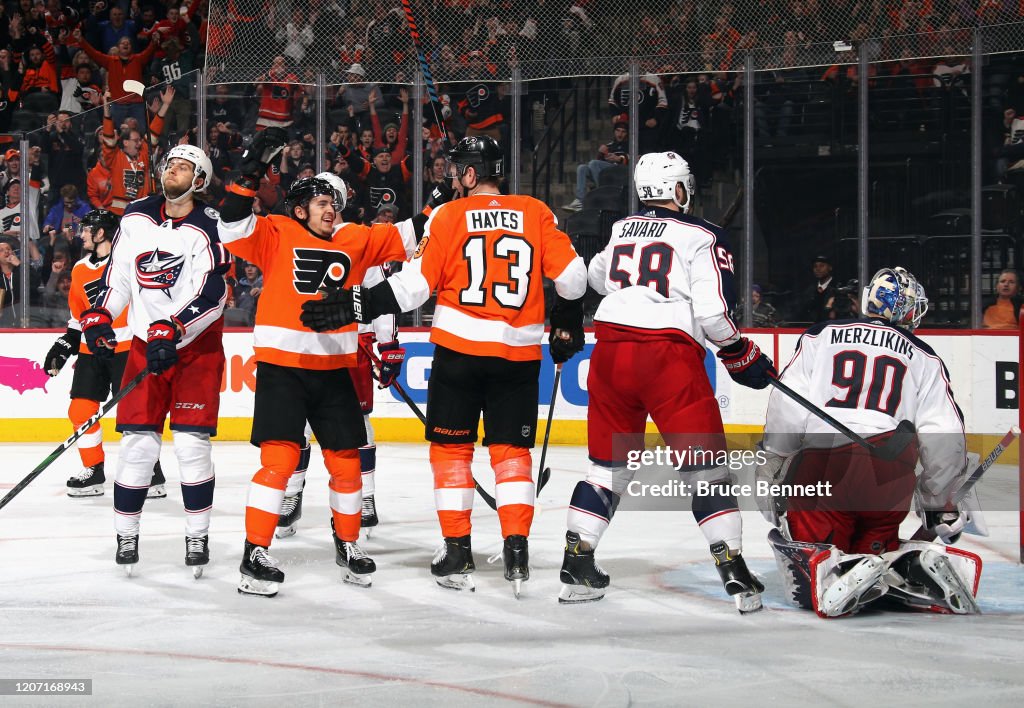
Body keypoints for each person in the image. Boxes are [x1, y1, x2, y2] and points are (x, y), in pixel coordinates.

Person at [300, 135, 588, 597]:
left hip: (459, 354)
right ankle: (516, 549)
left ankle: (457, 552)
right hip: (517, 357)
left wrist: (357, 303)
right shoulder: (535, 211)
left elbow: (413, 288)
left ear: (472, 175)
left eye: (457, 172)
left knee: (452, 452)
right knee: (511, 454)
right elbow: (574, 278)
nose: (453, 179)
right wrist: (567, 320)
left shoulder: (450, 215)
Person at [556, 151, 775, 610]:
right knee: (706, 470)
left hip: (611, 354)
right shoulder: (703, 235)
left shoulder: (620, 229)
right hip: (667, 359)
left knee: (607, 469)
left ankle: (577, 563)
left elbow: (593, 279)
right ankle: (733, 570)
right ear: (680, 189)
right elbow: (714, 316)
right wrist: (741, 353)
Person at [217, 131, 430, 597]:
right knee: (279, 461)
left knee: (347, 462)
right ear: (299, 209)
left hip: (334, 370)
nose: (331, 207)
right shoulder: (274, 232)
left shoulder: (356, 238)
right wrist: (248, 173)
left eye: (333, 201)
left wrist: (440, 199)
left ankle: (348, 543)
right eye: (320, 202)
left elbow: (411, 233)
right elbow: (230, 225)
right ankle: (255, 552)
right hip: (283, 370)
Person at [757, 267, 980, 617]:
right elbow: (944, 433)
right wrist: (941, 500)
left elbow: (786, 405)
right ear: (907, 309)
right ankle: (897, 563)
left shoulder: (821, 335)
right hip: (889, 469)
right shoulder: (924, 356)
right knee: (874, 546)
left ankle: (834, 568)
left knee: (813, 556)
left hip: (824, 463)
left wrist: (773, 459)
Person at [79, 144, 228, 577]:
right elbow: (119, 276)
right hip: (147, 344)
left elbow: (214, 293)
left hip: (195, 349)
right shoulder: (137, 215)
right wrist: (101, 312)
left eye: (185, 167)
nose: (174, 170)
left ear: (199, 179)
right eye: (171, 164)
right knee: (137, 445)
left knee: (190, 445)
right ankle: (126, 537)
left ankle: (197, 536)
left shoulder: (210, 224)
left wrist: (176, 326)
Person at [42, 209, 165, 498]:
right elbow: (78, 316)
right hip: (91, 349)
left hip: (127, 347)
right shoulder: (80, 269)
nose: (81, 234)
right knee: (80, 409)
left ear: (101, 234)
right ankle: (93, 470)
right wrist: (66, 343)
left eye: (87, 229)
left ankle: (151, 472)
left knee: (135, 415)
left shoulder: (128, 265)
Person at [562, 120, 629, 212]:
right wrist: (601, 154)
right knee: (582, 168)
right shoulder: (609, 146)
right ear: (614, 131)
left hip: (619, 174)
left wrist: (619, 159)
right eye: (618, 130)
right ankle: (580, 201)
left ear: (627, 133)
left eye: (623, 131)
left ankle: (601, 193)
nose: (620, 134)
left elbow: (632, 160)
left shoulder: (630, 145)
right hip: (604, 175)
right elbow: (597, 164)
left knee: (593, 163)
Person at [795, 255, 836, 324]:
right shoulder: (809, 290)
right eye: (815, 266)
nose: (818, 269)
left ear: (830, 268)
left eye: (822, 266)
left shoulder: (838, 287)